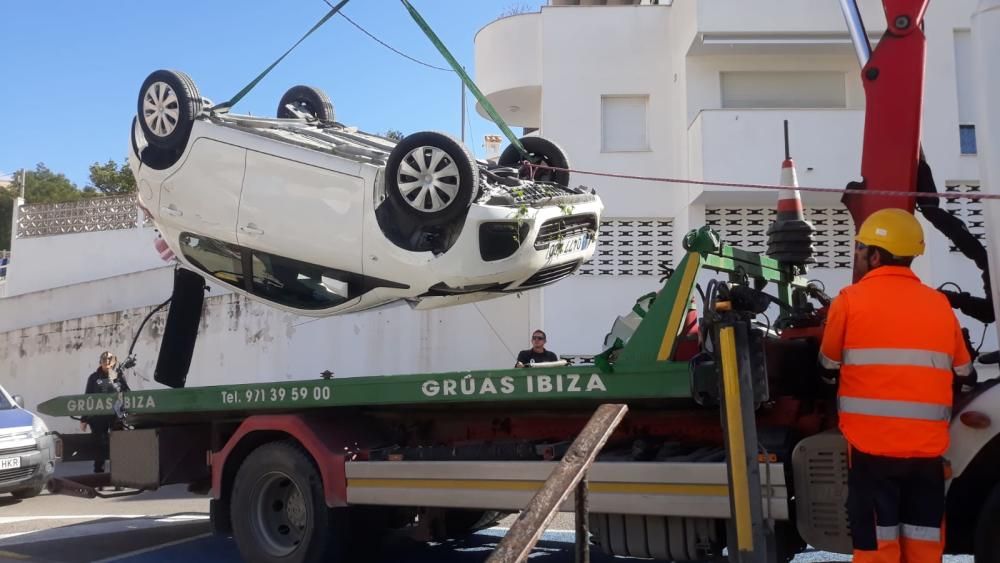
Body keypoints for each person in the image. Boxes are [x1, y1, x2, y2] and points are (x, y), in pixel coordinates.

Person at [819, 209, 974, 563]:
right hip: (926, 454)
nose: (856, 254)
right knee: (923, 544)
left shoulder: (849, 301)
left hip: (871, 449)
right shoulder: (939, 304)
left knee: (878, 546)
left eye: (860, 248)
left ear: (876, 255)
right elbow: (965, 373)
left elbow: (827, 367)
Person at [80, 351, 121, 473]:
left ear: (113, 362)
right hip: (97, 418)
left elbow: (126, 394)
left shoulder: (118, 376)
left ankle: (118, 475)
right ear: (100, 362)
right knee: (99, 446)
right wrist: (84, 419)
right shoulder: (93, 378)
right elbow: (87, 398)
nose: (106, 362)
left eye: (109, 360)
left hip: (114, 417)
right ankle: (99, 475)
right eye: (104, 360)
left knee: (117, 446)